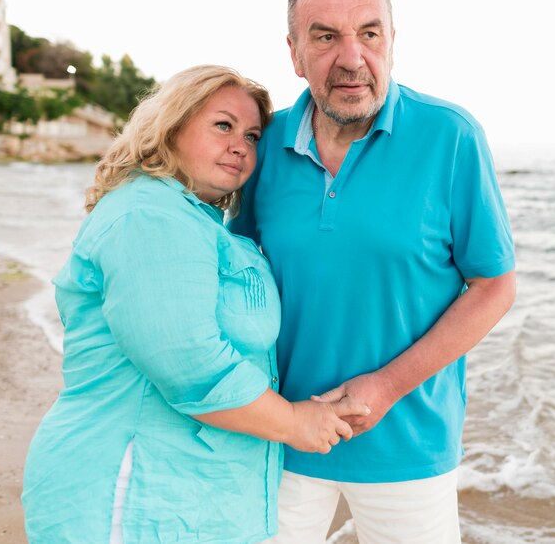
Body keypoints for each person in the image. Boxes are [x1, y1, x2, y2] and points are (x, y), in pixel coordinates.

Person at [229, 0, 517, 544]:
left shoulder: (451, 137)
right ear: (294, 52)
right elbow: (232, 270)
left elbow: (494, 286)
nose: (352, 58)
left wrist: (384, 386)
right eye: (326, 36)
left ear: (392, 40)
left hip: (407, 446)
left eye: (369, 33)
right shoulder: (264, 146)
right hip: (280, 436)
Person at [22, 65, 369, 544]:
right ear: (171, 126)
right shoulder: (149, 215)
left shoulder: (196, 222)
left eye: (251, 135)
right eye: (222, 125)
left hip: (183, 494)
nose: (241, 146)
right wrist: (293, 423)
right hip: (130, 489)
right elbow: (189, 360)